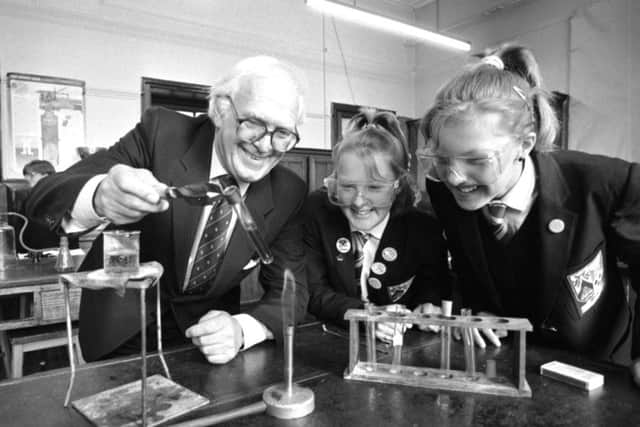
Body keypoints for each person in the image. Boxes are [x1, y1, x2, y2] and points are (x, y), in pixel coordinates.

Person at [25, 56, 309, 364]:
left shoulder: (288, 191)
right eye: (253, 123)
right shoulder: (162, 133)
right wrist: (99, 195)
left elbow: (290, 290)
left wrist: (242, 330)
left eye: (282, 134)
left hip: (208, 341)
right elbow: (45, 195)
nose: (265, 146)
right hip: (123, 329)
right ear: (222, 109)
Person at [418, 45, 640, 385]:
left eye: (476, 160)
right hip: (506, 364)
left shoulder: (602, 182)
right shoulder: (443, 191)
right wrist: (472, 312)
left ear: (525, 143)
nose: (454, 177)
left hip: (599, 367)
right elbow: (466, 266)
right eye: (442, 158)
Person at [304, 110, 450, 342]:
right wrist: (365, 316)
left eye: (374, 188)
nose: (359, 202)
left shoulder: (424, 227)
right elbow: (313, 290)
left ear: (397, 187)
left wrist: (427, 304)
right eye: (348, 187)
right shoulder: (317, 212)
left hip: (404, 347)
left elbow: (432, 281)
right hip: (332, 340)